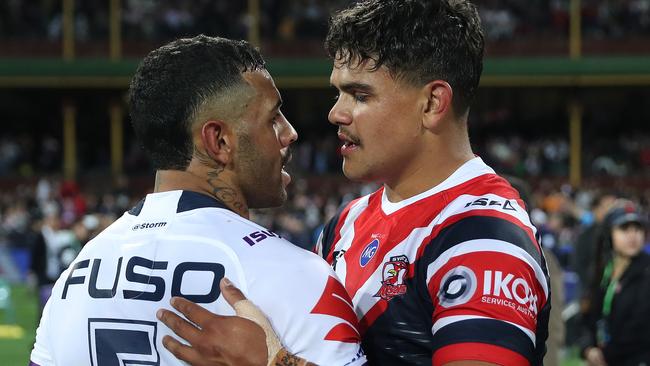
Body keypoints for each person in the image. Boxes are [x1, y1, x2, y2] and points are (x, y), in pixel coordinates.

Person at [158, 0, 551, 365]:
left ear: (432, 103)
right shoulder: (346, 225)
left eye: (359, 95)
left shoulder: (483, 239)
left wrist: (274, 361)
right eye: (338, 93)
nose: (336, 114)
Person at [29, 35, 366, 366]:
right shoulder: (296, 275)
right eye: (273, 117)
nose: (290, 133)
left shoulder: (74, 278)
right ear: (218, 141)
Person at [579, 201, 650, 366]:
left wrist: (604, 355)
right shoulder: (602, 271)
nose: (633, 235)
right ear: (608, 233)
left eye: (638, 229)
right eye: (624, 228)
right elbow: (587, 317)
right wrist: (588, 348)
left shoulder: (647, 271)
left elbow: (639, 330)